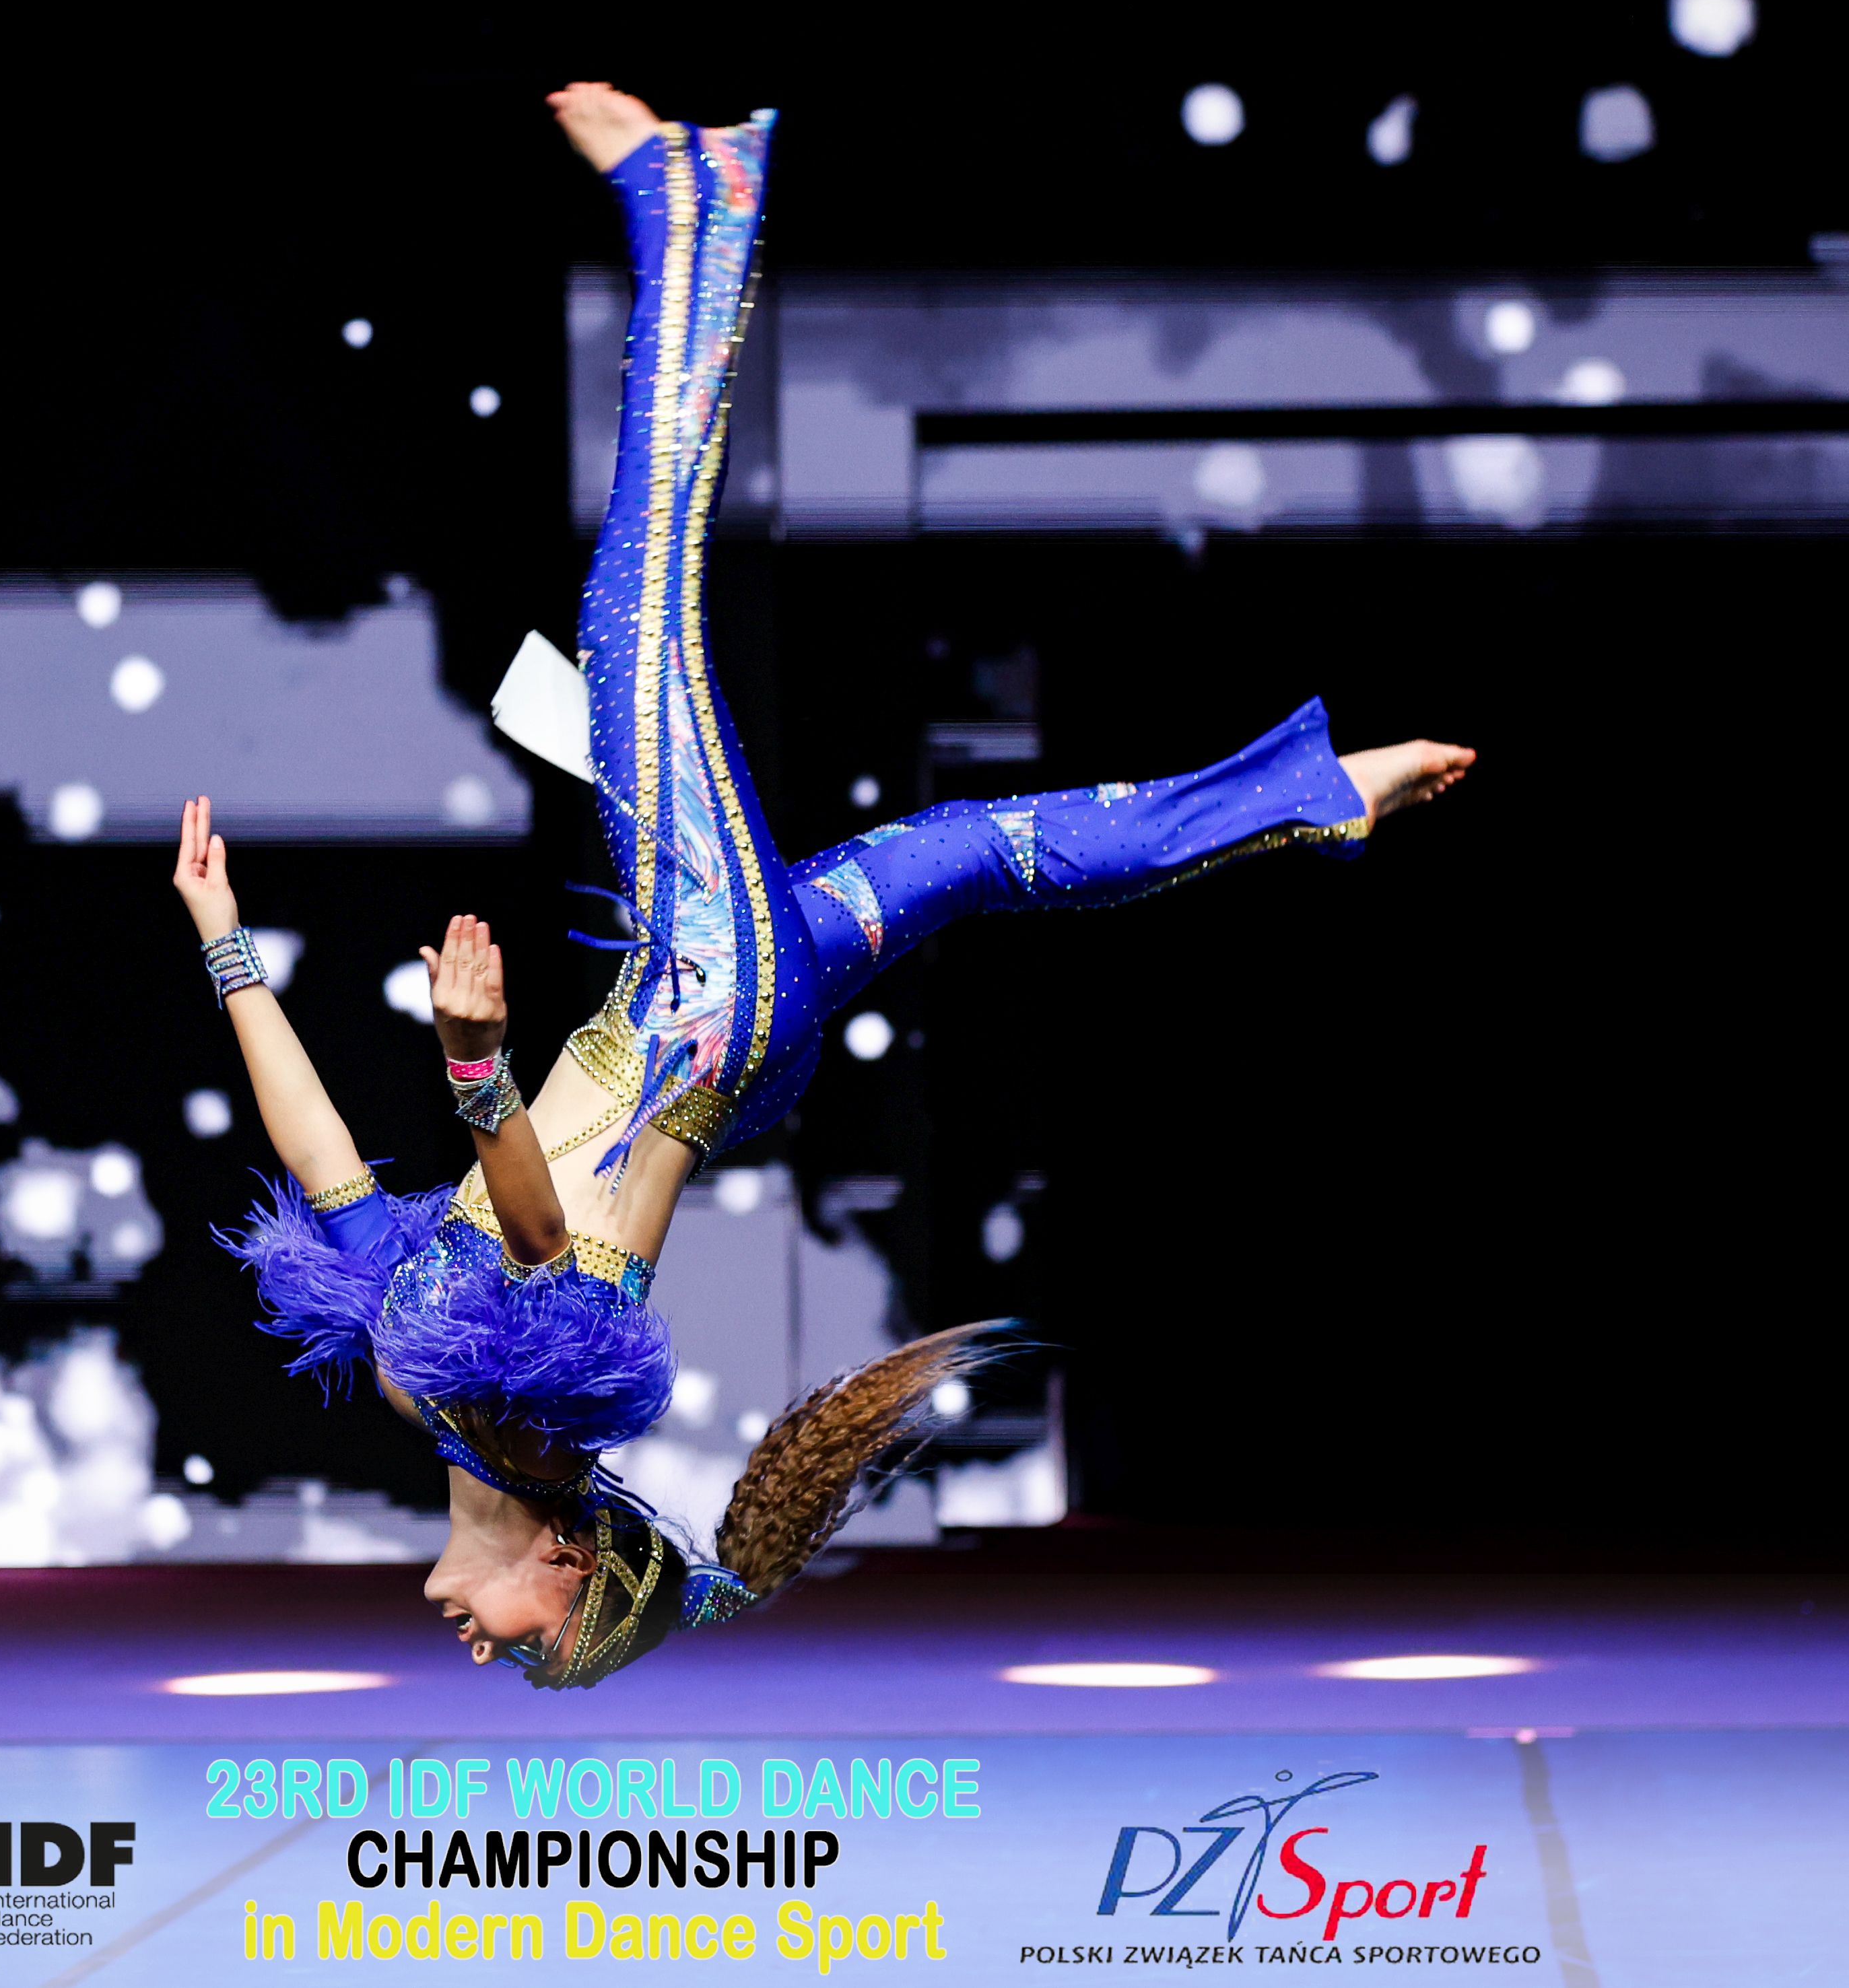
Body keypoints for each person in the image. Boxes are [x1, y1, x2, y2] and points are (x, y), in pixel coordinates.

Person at [182, 85, 1475, 1688]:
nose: (475, 1647)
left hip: (738, 1022)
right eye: (529, 1646)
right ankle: (691, 203)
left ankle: (1315, 797)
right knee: (634, 609)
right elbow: (538, 1234)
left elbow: (325, 1174)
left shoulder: (414, 1389)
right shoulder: (538, 1420)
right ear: (567, 1565)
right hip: (705, 993)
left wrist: (226, 948)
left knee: (990, 852)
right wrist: (471, 1064)